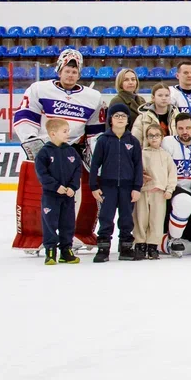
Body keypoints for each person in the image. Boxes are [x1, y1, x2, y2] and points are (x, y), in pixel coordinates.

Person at [89, 102, 143, 262]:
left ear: (128, 120)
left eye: (124, 116)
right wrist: (94, 186)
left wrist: (137, 187)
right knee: (106, 218)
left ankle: (126, 248)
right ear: (110, 119)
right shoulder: (103, 140)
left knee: (126, 218)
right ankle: (103, 249)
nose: (120, 118)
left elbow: (138, 165)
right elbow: (95, 164)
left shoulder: (133, 141)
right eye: (116, 116)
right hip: (108, 186)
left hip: (127, 187)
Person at [34, 118, 83, 265]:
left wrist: (73, 187)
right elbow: (42, 174)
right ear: (53, 134)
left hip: (68, 196)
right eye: (65, 131)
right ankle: (50, 251)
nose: (68, 134)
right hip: (51, 196)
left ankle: (66, 251)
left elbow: (77, 171)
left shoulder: (71, 151)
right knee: (50, 223)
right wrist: (55, 186)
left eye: (68, 130)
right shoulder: (43, 153)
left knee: (67, 223)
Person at [161, 113, 191, 254]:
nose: (184, 131)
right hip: (174, 188)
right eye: (180, 128)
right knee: (184, 200)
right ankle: (174, 239)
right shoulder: (167, 142)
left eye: (188, 127)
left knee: (189, 247)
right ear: (175, 128)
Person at [134, 124, 177, 261]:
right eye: (151, 135)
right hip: (143, 192)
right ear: (146, 137)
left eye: (157, 135)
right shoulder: (141, 154)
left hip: (159, 192)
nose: (154, 138)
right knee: (140, 219)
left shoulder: (165, 156)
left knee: (157, 220)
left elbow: (172, 174)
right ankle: (140, 244)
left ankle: (153, 246)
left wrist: (169, 189)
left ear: (162, 137)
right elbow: (135, 170)